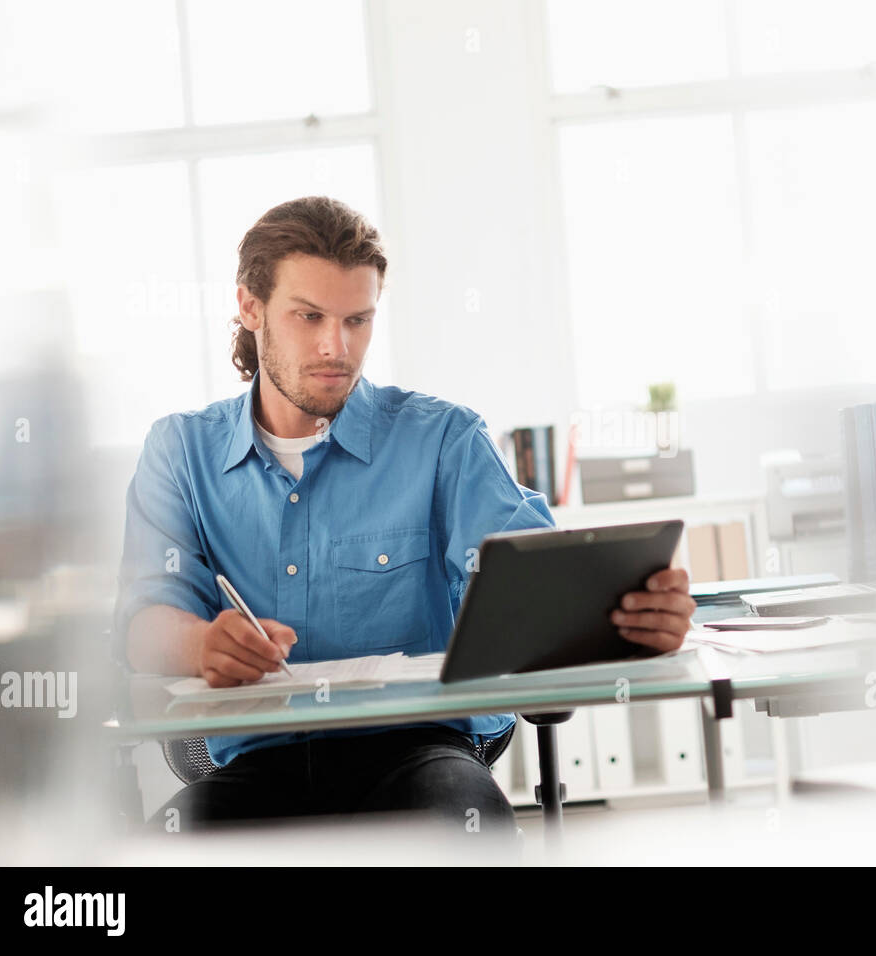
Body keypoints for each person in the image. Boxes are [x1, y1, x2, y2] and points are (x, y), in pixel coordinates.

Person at [114, 196, 695, 838]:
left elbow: (539, 587)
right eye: (309, 316)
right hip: (257, 763)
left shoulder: (441, 439)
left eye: (357, 320)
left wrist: (633, 624)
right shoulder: (180, 452)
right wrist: (200, 644)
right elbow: (142, 622)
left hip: (417, 752)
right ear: (251, 307)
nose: (337, 347)